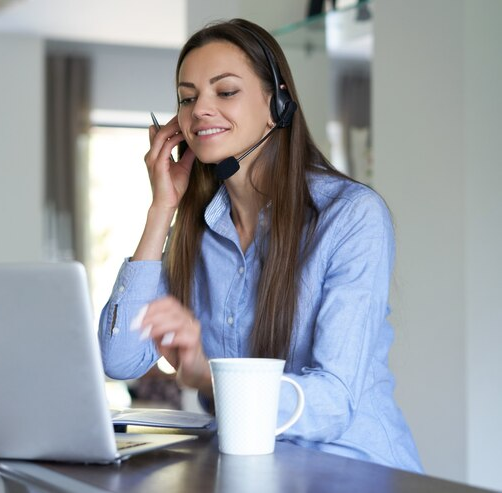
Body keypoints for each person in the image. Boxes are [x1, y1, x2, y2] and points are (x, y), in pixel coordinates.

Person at [97, 18, 423, 472]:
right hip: (253, 471)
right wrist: (160, 210)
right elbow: (121, 358)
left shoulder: (350, 216)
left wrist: (210, 375)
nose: (199, 110)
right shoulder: (198, 229)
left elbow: (332, 403)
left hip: (352, 468)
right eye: (188, 98)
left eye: (224, 91)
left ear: (278, 104)